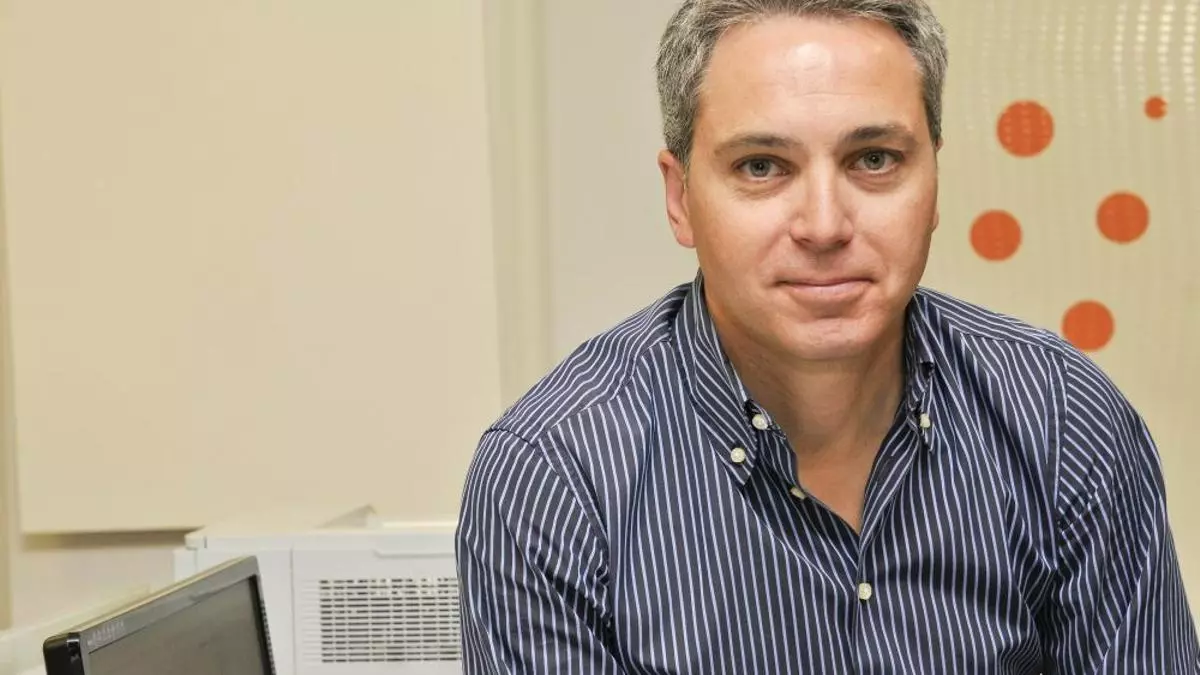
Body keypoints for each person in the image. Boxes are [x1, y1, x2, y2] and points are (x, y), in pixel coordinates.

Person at [455, 0, 1200, 672]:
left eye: (873, 160)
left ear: (934, 179)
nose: (823, 225)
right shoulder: (553, 477)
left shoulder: (1067, 421)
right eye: (761, 166)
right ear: (680, 199)